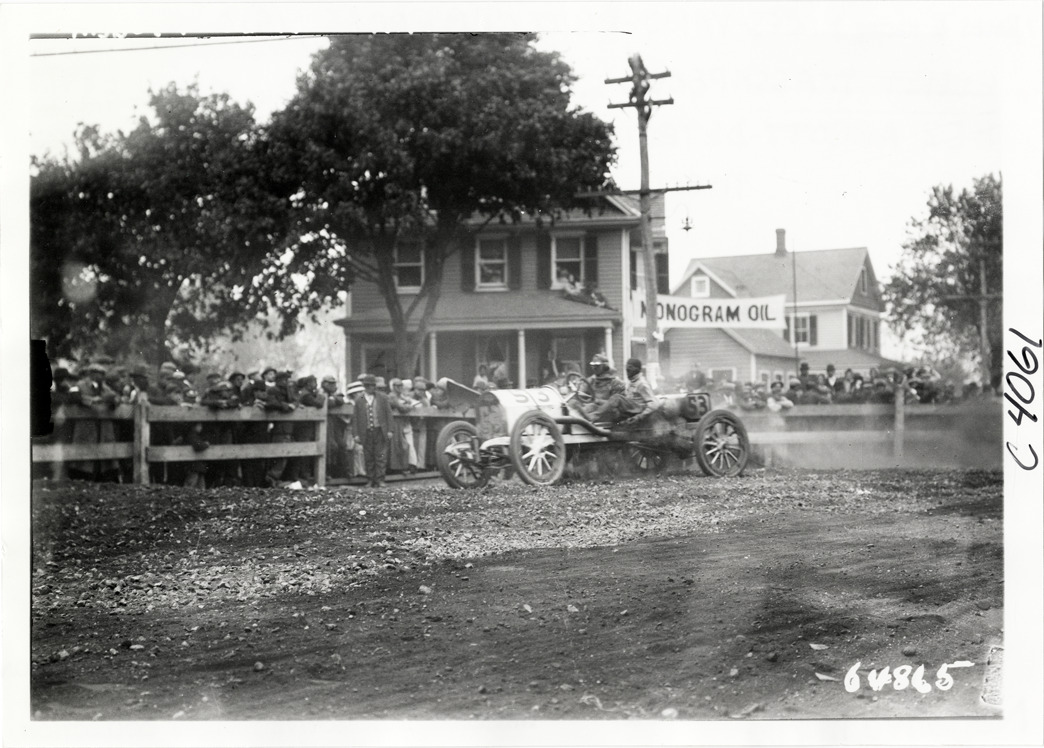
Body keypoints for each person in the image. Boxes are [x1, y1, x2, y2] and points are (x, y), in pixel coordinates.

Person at [590, 358, 662, 426]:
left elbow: (653, 404)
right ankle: (589, 419)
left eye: (630, 367)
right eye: (626, 367)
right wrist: (600, 401)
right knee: (596, 405)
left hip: (638, 409)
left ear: (637, 369)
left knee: (616, 397)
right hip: (630, 409)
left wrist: (639, 417)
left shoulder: (642, 384)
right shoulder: (631, 383)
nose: (627, 369)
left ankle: (594, 416)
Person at [352, 374, 394, 488]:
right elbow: (355, 418)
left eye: (373, 385)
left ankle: (380, 479)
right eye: (369, 386)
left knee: (381, 456)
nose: (372, 388)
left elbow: (389, 414)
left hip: (380, 430)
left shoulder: (382, 398)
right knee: (368, 456)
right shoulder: (359, 399)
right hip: (365, 431)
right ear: (365, 386)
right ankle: (370, 479)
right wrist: (355, 434)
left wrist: (390, 430)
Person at [576, 353, 627, 423]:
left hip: (609, 415)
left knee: (592, 406)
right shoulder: (591, 380)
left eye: (597, 366)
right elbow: (581, 393)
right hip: (592, 409)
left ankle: (589, 418)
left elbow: (617, 404)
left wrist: (598, 401)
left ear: (605, 366)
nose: (594, 368)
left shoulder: (616, 382)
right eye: (593, 365)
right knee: (575, 405)